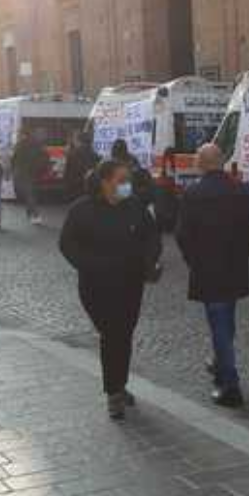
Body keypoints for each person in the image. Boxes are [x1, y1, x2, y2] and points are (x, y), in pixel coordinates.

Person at [59, 160, 162, 420]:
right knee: (111, 334)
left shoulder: (135, 207)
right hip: (97, 286)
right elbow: (67, 244)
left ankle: (119, 384)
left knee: (124, 334)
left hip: (130, 283)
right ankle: (113, 393)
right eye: (121, 180)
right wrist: (89, 265)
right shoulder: (81, 209)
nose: (127, 185)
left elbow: (152, 237)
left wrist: (150, 261)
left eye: (128, 180)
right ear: (105, 182)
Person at [175, 144, 249, 407]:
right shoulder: (242, 190)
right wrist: (246, 250)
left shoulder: (193, 193)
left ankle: (230, 383)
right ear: (222, 162)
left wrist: (193, 259)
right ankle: (219, 362)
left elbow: (182, 235)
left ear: (201, 164)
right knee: (226, 317)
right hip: (234, 264)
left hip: (207, 267)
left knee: (219, 323)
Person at [12, 128, 47, 225]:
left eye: (18, 133)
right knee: (30, 193)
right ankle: (30, 213)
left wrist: (12, 169)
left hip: (23, 172)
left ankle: (35, 215)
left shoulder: (20, 144)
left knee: (29, 194)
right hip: (33, 172)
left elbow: (14, 159)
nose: (18, 135)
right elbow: (44, 155)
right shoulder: (36, 143)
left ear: (23, 134)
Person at [63, 130, 98, 202]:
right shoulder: (94, 154)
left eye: (74, 139)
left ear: (78, 140)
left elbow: (68, 173)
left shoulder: (73, 154)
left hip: (76, 187)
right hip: (90, 186)